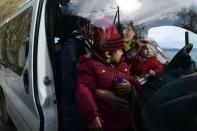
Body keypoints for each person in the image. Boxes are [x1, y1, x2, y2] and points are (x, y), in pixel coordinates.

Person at [76, 19, 140, 131]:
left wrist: (130, 86)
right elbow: (83, 89)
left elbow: (134, 80)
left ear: (120, 50)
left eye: (111, 52)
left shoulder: (124, 65)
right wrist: (91, 114)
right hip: (104, 122)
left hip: (126, 121)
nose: (106, 55)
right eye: (102, 51)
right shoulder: (90, 65)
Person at [60, 16, 93, 131]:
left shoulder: (87, 43)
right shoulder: (71, 44)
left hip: (86, 104)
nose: (94, 28)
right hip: (74, 107)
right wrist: (97, 93)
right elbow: (68, 81)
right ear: (84, 26)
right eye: (91, 24)